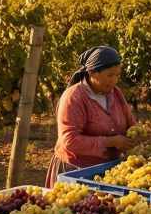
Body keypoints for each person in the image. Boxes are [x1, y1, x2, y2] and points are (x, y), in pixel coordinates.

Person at [46, 45, 137, 187]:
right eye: (110, 75)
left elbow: (130, 122)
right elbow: (69, 141)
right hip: (75, 172)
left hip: (107, 171)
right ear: (93, 73)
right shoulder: (74, 97)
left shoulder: (115, 93)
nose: (114, 80)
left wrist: (135, 133)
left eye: (117, 75)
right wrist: (110, 142)